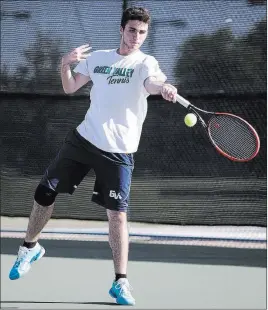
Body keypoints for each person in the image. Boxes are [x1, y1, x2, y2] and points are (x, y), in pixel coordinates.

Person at [9, 7, 177, 306]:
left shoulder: (146, 63)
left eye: (142, 32)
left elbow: (151, 83)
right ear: (122, 29)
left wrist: (162, 87)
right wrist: (64, 64)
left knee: (117, 216)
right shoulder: (99, 59)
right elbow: (70, 87)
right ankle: (29, 248)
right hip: (84, 140)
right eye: (131, 30)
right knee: (44, 192)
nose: (136, 37)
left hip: (119, 151)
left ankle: (120, 282)